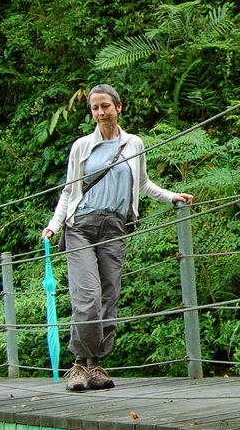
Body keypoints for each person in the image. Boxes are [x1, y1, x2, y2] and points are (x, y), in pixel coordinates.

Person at [42, 84, 194, 392]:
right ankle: (80, 364)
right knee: (87, 299)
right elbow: (70, 190)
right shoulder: (81, 146)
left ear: (118, 108)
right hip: (81, 226)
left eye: (105, 107)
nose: (100, 113)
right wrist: (54, 225)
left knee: (109, 300)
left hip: (114, 227)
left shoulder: (133, 143)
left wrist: (171, 196)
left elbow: (144, 184)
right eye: (95, 108)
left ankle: (96, 365)